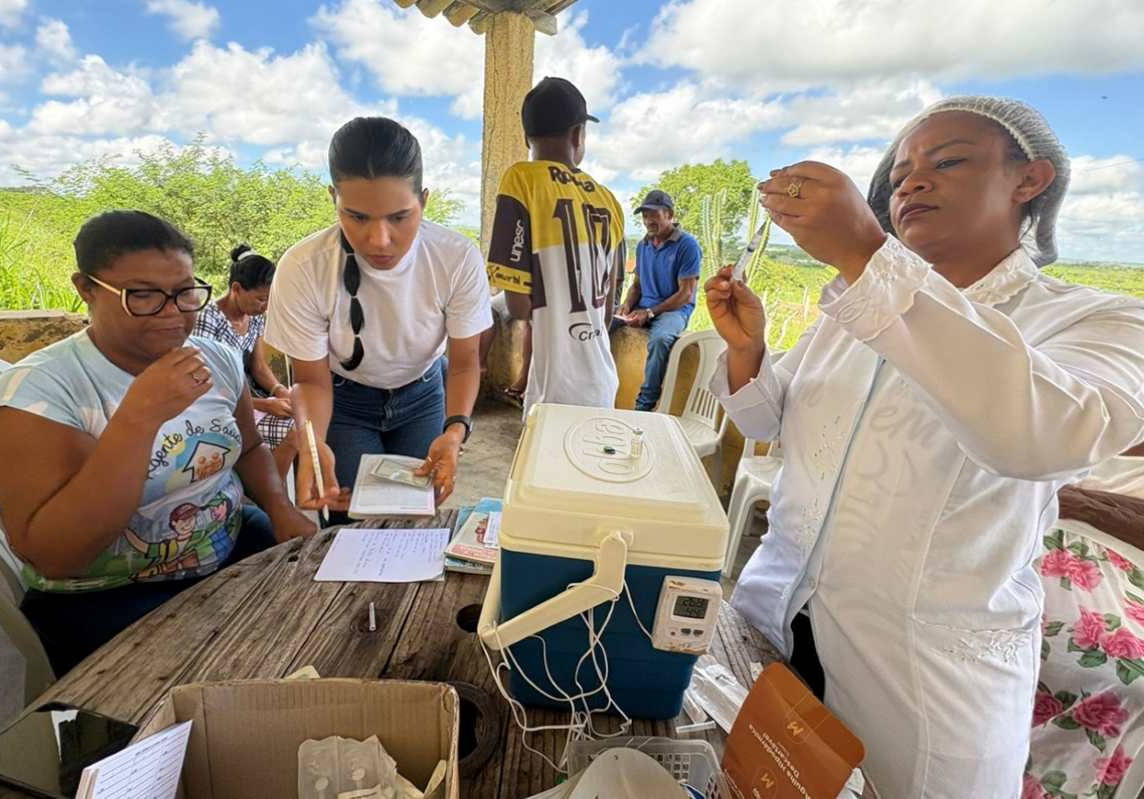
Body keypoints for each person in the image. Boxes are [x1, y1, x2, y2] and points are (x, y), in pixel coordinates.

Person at [704, 97, 1144, 796]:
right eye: (902, 172)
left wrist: (864, 253)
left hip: (920, 698)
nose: (910, 183)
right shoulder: (856, 308)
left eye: (948, 161)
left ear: (1029, 180)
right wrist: (749, 352)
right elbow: (769, 420)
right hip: (771, 633)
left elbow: (1045, 434)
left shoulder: (1094, 320)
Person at [0, 210, 314, 676]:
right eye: (145, 295)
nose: (173, 313)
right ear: (86, 288)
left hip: (227, 542)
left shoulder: (215, 357)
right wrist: (140, 415)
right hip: (109, 592)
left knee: (326, 619)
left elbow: (249, 448)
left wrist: (279, 507)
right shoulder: (37, 396)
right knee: (226, 688)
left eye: (185, 293)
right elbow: (56, 554)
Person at [265, 117, 492, 518]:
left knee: (417, 517)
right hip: (342, 401)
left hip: (423, 395)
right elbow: (310, 380)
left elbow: (463, 364)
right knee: (349, 521)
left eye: (399, 217)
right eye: (357, 217)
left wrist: (455, 431)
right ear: (332, 198)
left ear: (424, 199)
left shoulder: (456, 257)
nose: (379, 240)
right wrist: (312, 439)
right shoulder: (304, 267)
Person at [487, 76, 625, 417]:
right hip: (602, 382)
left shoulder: (522, 180)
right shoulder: (609, 200)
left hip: (553, 390)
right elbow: (608, 304)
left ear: (525, 136)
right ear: (578, 134)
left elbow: (519, 306)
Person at [193, 244, 298, 473]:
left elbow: (259, 366)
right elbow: (204, 384)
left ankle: (271, 492)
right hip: (217, 405)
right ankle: (268, 494)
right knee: (291, 432)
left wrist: (280, 391)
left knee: (300, 424)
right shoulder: (208, 318)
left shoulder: (256, 317)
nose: (265, 306)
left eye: (269, 300)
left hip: (248, 398)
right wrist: (264, 405)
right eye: (260, 299)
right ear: (236, 288)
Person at [616, 189, 702, 411]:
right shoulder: (644, 245)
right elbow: (637, 286)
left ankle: (645, 404)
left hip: (675, 310)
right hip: (645, 306)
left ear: (670, 214)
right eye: (645, 215)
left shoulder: (687, 245)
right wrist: (627, 305)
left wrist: (650, 312)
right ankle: (598, 385)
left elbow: (686, 294)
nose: (648, 221)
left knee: (662, 339)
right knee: (605, 323)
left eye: (654, 214)